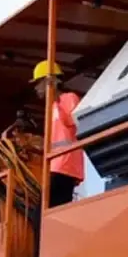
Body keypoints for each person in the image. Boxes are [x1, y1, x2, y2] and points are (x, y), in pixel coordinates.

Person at [30, 60, 85, 208]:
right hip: (56, 166)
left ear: (50, 80)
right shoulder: (52, 107)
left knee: (42, 213)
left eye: (38, 83)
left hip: (66, 165)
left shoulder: (69, 98)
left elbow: (76, 122)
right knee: (46, 212)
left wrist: (55, 98)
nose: (36, 88)